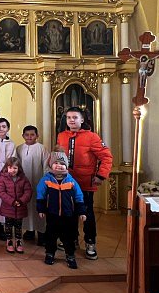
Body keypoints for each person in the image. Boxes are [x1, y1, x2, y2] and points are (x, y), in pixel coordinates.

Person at [56, 107, 113, 260]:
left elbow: (107, 157)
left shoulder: (92, 137)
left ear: (82, 119)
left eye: (75, 117)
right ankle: (72, 239)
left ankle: (90, 243)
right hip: (66, 182)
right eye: (69, 117)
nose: (71, 120)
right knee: (68, 213)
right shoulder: (61, 136)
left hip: (85, 184)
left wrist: (100, 176)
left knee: (86, 214)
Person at [36, 147, 85, 269]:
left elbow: (79, 197)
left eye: (62, 163)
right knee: (51, 235)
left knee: (69, 237)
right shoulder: (46, 180)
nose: (59, 166)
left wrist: (81, 212)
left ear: (66, 166)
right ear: (51, 165)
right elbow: (40, 195)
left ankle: (70, 255)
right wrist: (41, 209)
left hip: (69, 215)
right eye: (56, 163)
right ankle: (50, 253)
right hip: (52, 214)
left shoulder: (71, 181)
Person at [16, 125, 50, 245]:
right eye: (27, 135)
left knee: (39, 207)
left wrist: (45, 183)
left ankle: (41, 233)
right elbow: (17, 166)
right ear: (23, 136)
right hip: (24, 183)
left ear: (37, 136)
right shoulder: (19, 148)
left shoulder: (42, 149)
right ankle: (29, 230)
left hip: (38, 183)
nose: (29, 137)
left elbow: (46, 167)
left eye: (32, 135)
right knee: (26, 207)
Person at [0, 156, 33, 254]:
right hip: (8, 207)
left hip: (20, 207)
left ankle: (19, 241)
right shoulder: (2, 178)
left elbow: (28, 191)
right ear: (6, 168)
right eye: (10, 168)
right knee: (8, 225)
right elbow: (1, 192)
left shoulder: (23, 179)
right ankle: (9, 241)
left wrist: (21, 200)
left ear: (19, 168)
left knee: (18, 226)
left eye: (15, 168)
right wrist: (12, 201)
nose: (13, 170)